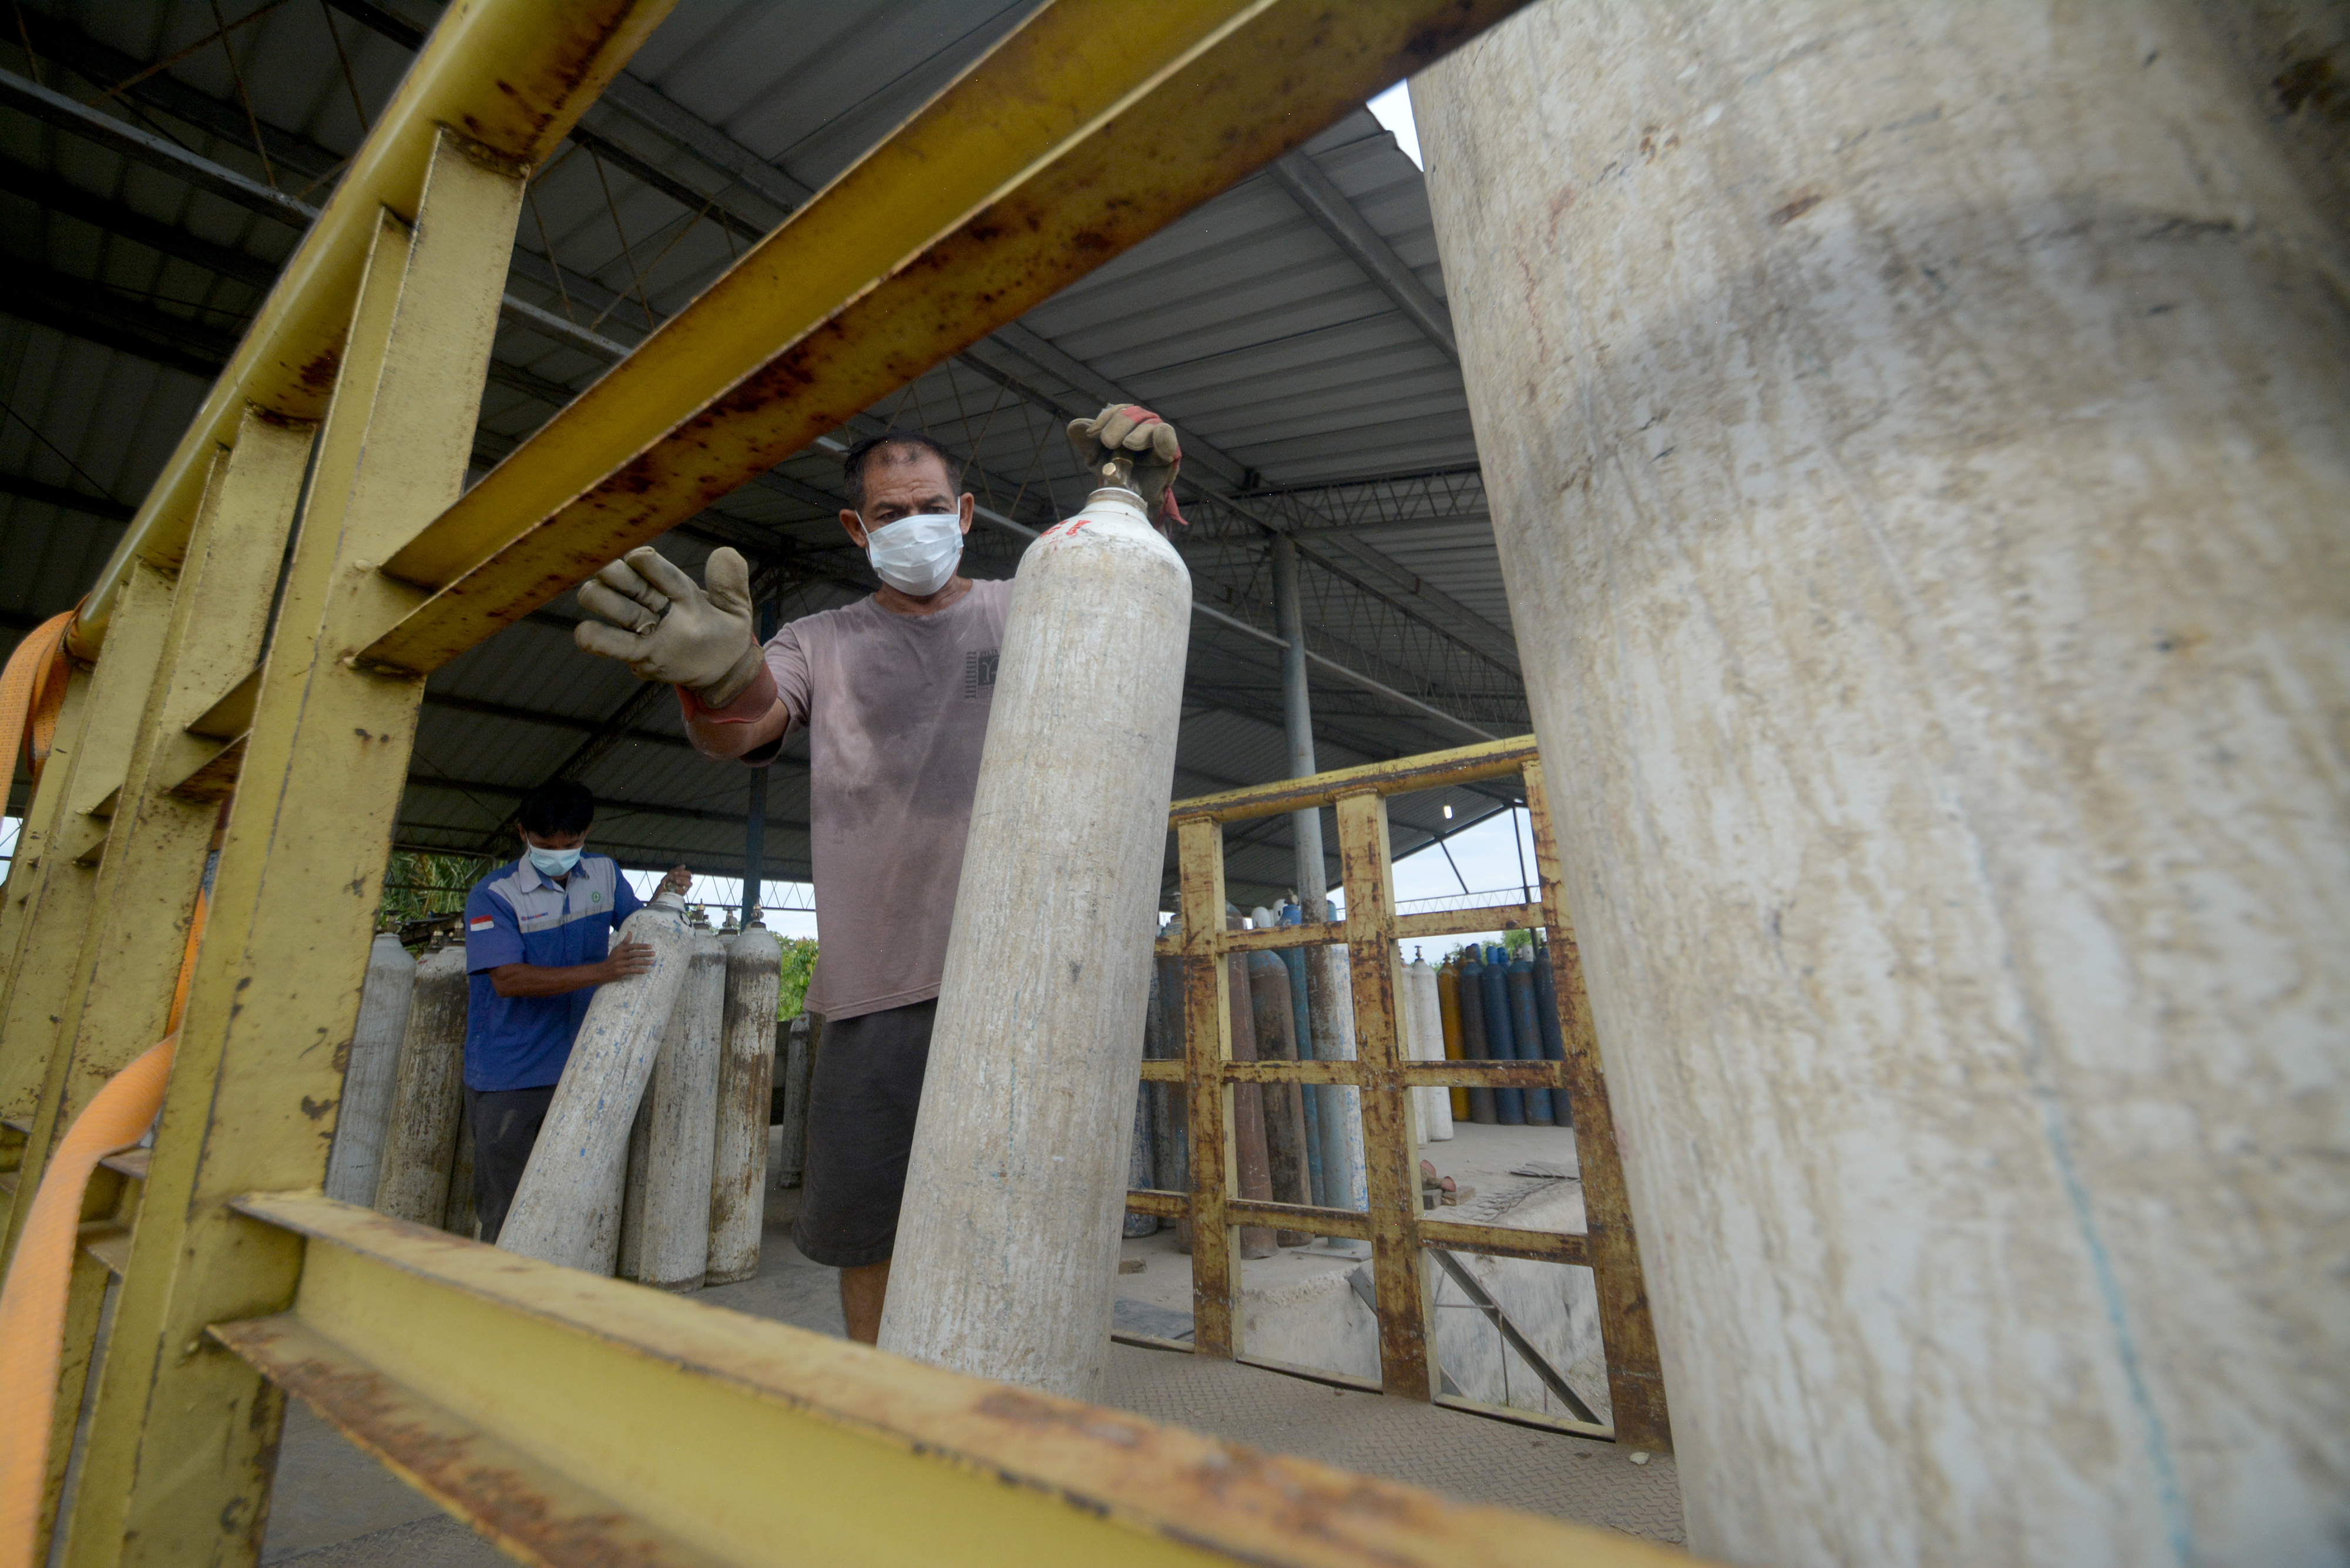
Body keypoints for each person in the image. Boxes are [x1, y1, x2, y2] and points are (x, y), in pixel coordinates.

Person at [570, 405, 1184, 1341]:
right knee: (874, 1234)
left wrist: (1138, 504)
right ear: (858, 530)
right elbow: (749, 724)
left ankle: (1014, 1412)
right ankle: (890, 1410)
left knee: (1032, 1219)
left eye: (931, 506)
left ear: (967, 512)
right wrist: (715, 676)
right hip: (879, 992)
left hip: (1028, 976)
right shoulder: (819, 642)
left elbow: (1130, 630)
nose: (915, 527)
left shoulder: (1030, 604)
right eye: (890, 514)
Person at [459, 778, 691, 1243]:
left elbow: (637, 930)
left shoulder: (604, 874)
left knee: (569, 1201)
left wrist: (665, 897)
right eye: (547, 845)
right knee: (508, 1206)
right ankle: (502, 1306)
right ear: (523, 833)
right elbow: (508, 979)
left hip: (583, 1065)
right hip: (512, 1075)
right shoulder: (495, 896)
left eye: (572, 843)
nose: (560, 854)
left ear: (587, 832)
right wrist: (601, 972)